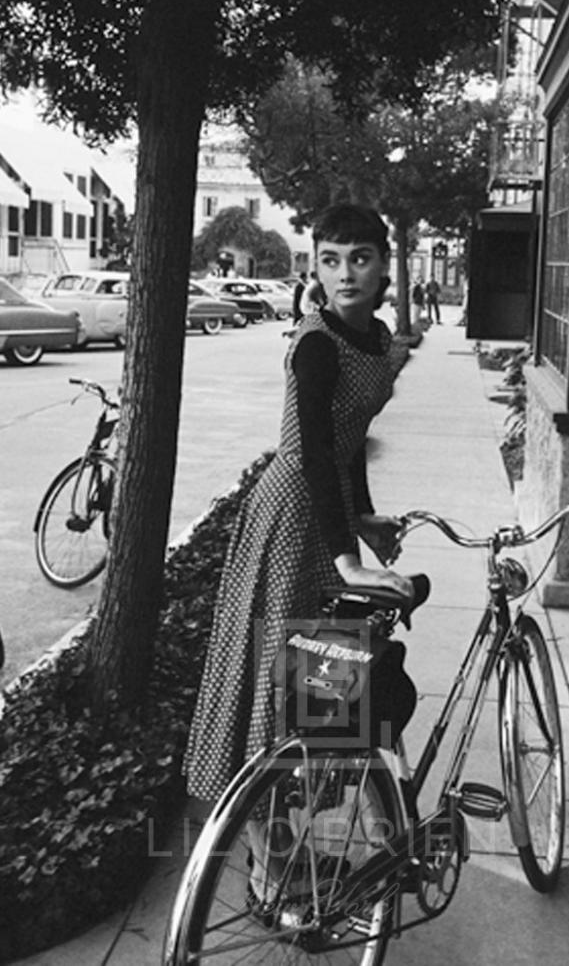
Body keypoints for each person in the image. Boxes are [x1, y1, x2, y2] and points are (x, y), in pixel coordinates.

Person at [184, 203, 415, 889]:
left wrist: (365, 519)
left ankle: (292, 848)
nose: (347, 273)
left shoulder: (376, 339)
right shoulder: (317, 342)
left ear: (383, 264)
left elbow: (349, 446)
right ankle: (269, 859)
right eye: (332, 259)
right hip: (290, 517)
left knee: (326, 684)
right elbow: (314, 448)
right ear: (316, 265)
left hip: (328, 509)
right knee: (283, 682)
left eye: (361, 258)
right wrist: (347, 555)